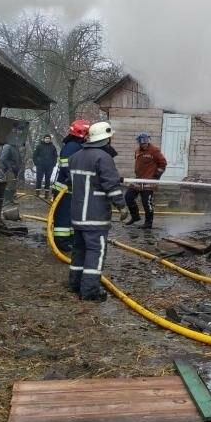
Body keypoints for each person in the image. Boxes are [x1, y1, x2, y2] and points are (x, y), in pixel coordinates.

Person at [67, 121, 129, 301]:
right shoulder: (103, 158)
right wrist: (122, 206)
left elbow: (73, 183)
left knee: (79, 250)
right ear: (106, 139)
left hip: (77, 215)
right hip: (95, 216)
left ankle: (75, 284)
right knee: (96, 251)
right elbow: (111, 186)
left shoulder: (75, 157)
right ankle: (89, 291)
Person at [51, 120, 90, 253]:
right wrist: (77, 180)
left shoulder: (76, 145)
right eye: (87, 134)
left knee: (71, 216)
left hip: (71, 189)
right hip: (65, 189)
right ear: (81, 133)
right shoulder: (72, 146)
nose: (88, 137)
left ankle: (70, 240)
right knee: (63, 216)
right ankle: (61, 242)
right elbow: (67, 167)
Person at [124, 133, 167, 228]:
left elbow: (163, 163)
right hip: (138, 179)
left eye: (145, 143)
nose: (144, 145)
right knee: (128, 197)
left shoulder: (154, 150)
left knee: (146, 202)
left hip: (150, 181)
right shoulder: (137, 151)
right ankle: (135, 217)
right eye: (142, 143)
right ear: (139, 143)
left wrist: (156, 175)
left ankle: (148, 223)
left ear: (148, 141)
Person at [0, 139, 22, 204]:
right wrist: (10, 167)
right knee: (8, 185)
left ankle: (11, 199)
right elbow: (3, 158)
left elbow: (18, 158)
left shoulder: (16, 147)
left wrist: (18, 166)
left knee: (13, 185)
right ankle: (6, 200)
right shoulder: (7, 146)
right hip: (8, 169)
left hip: (15, 169)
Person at [32, 134, 58, 198]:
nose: (47, 139)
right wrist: (36, 163)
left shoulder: (52, 147)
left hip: (49, 166)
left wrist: (53, 164)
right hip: (40, 165)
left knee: (47, 179)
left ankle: (46, 193)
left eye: (48, 138)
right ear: (44, 139)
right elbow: (35, 155)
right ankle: (37, 193)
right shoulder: (39, 146)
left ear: (50, 139)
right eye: (46, 138)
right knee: (39, 178)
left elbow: (55, 156)